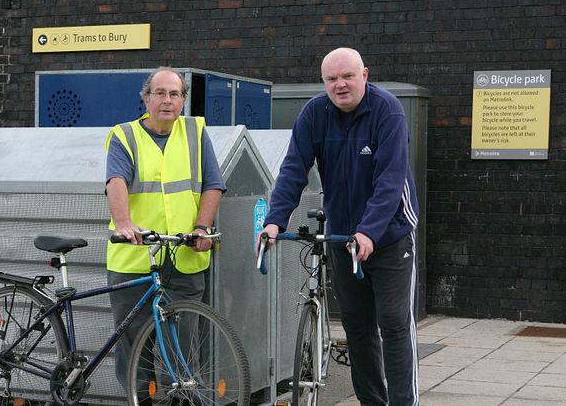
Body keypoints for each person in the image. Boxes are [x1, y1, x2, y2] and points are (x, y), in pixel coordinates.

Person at [259, 48, 420, 406]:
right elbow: (292, 171)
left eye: (347, 76)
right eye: (331, 79)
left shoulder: (387, 110)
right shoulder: (314, 114)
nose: (340, 84)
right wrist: (274, 222)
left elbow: (390, 181)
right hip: (344, 237)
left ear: (365, 74)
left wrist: (370, 231)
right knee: (358, 328)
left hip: (391, 235)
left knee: (394, 323)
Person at [104, 67, 226, 394]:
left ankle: (185, 400)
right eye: (159, 93)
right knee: (134, 352)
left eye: (174, 94)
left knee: (185, 351)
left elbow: (213, 185)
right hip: (134, 258)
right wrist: (125, 222)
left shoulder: (195, 134)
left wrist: (202, 227)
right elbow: (115, 181)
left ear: (183, 100)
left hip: (183, 256)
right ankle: (139, 401)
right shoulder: (125, 135)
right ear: (146, 98)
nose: (167, 100)